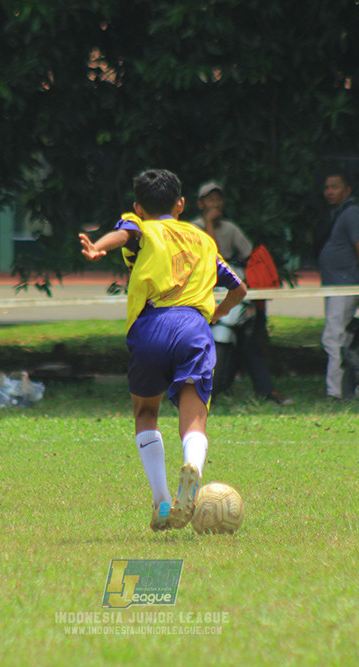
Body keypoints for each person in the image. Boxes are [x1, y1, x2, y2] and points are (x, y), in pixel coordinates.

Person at [79, 169, 247, 531]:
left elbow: (126, 234)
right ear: (181, 204)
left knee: (145, 412)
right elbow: (239, 289)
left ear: (139, 207)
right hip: (193, 328)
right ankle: (193, 467)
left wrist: (98, 247)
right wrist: (217, 313)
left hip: (151, 325)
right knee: (194, 414)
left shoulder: (141, 225)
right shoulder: (203, 241)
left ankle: (162, 501)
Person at [191, 181, 290, 405]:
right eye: (210, 200)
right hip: (202, 292)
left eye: (218, 199)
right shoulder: (193, 228)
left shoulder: (230, 228)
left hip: (229, 290)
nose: (215, 204)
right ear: (200, 204)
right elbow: (211, 256)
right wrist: (209, 224)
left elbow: (249, 254)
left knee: (250, 340)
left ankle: (266, 390)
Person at [317, 170, 359, 400]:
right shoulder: (339, 214)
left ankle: (336, 392)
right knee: (342, 339)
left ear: (347, 190)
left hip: (346, 286)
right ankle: (349, 387)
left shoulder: (352, 214)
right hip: (337, 286)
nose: (329, 192)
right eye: (327, 187)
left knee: (333, 338)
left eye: (335, 187)